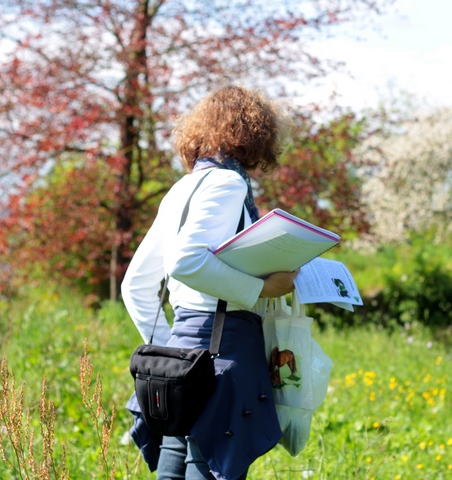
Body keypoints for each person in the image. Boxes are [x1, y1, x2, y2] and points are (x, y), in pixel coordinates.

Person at [121, 85, 298, 480]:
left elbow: (135, 284)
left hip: (181, 354)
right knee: (213, 469)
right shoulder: (228, 184)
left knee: (172, 467)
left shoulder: (181, 188)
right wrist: (262, 289)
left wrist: (170, 345)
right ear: (256, 135)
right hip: (224, 350)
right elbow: (187, 262)